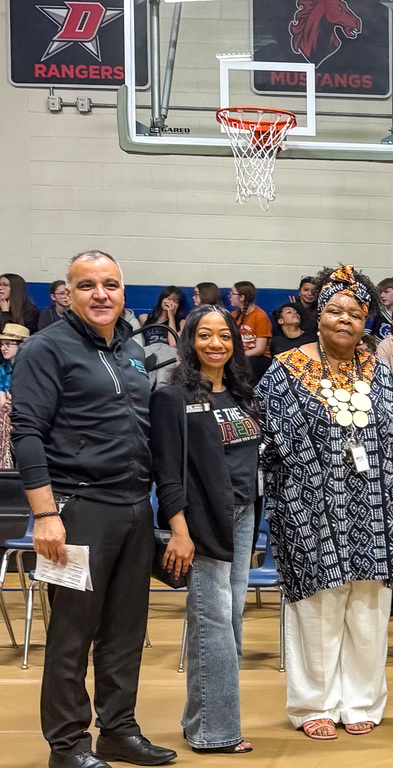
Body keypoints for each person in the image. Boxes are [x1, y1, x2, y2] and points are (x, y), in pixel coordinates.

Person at [10, 250, 176, 768]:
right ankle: (68, 745)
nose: (100, 294)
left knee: (126, 632)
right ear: (68, 293)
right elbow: (27, 434)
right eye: (87, 285)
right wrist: (44, 514)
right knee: (71, 635)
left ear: (124, 293)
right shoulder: (45, 348)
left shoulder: (131, 352)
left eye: (109, 284)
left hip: (132, 509)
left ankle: (119, 731)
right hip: (76, 509)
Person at [255, 265, 393, 740]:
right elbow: (271, 439)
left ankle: (361, 699)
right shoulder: (285, 371)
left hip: (372, 509)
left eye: (354, 312)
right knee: (317, 609)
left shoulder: (382, 374)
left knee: (368, 609)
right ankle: (314, 706)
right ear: (317, 315)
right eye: (333, 310)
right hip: (309, 511)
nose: (344, 319)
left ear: (367, 320)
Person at [150, 305, 259, 754]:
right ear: (189, 340)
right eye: (205, 335)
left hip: (244, 515)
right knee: (213, 623)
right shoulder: (171, 396)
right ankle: (216, 732)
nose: (216, 343)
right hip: (202, 522)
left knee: (228, 620)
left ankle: (200, 718)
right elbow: (167, 472)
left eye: (225, 336)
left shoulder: (241, 393)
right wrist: (179, 530)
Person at [229, 281, 272, 380]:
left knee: (244, 365)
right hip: (240, 355)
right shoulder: (233, 315)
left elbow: (259, 350)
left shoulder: (260, 316)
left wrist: (237, 356)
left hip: (258, 358)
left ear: (242, 297)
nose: (230, 296)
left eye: (232, 293)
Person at [0, 323, 29, 468]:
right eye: (2, 344)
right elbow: (2, 401)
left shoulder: (31, 368)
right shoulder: (2, 370)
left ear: (21, 346)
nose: (2, 348)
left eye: (8, 344)